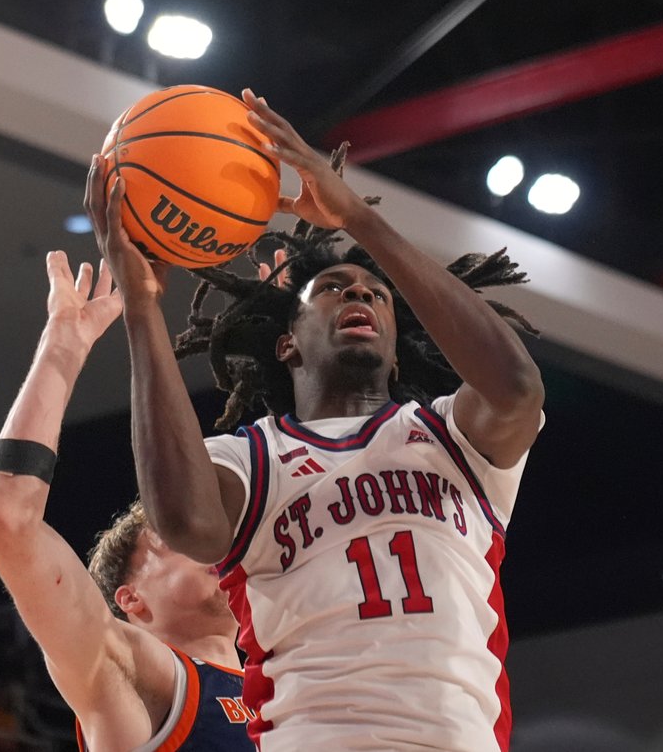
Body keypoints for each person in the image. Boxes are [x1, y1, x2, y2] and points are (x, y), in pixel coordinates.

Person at [85, 92, 545, 751]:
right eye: (331, 289)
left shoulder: (454, 439)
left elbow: (518, 388)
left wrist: (356, 215)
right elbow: (186, 523)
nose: (359, 291)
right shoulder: (251, 459)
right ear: (288, 342)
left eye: (375, 292)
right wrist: (142, 307)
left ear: (393, 339)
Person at [0, 251, 253, 751]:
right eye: (179, 540)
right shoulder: (137, 677)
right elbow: (8, 519)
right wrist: (63, 342)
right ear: (131, 600)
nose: (215, 547)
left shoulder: (290, 692)